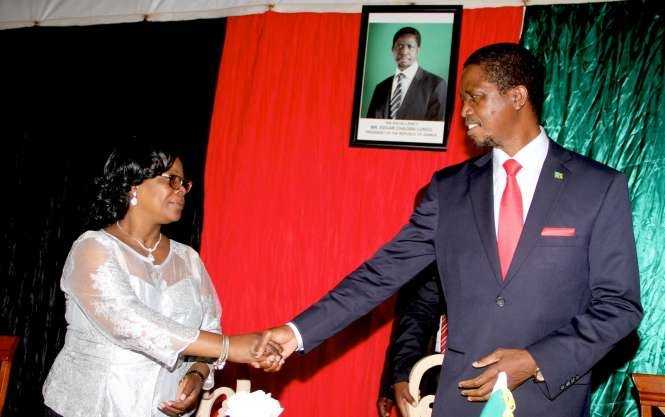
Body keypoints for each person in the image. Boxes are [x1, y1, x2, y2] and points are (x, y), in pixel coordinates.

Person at [259, 43, 643, 417]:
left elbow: (619, 307)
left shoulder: (597, 187)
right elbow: (380, 274)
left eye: (475, 97)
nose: (464, 112)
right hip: (462, 398)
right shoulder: (449, 190)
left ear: (517, 96)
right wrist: (296, 333)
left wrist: (536, 360)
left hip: (549, 400)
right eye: (463, 99)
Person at [42, 142, 280, 417]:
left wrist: (198, 372)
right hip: (91, 408)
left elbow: (210, 326)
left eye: (184, 184)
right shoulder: (93, 248)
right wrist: (231, 347)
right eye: (172, 180)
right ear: (133, 185)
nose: (182, 191)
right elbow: (131, 322)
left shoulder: (187, 259)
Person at [377, 264, 445, 417]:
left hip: (497, 377)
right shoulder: (443, 247)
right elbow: (415, 317)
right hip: (435, 382)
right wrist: (397, 379)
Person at [366, 27, 447, 121]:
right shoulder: (380, 88)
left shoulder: (436, 85)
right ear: (392, 49)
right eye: (400, 46)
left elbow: (435, 131)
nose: (404, 52)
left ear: (418, 50)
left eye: (410, 46)